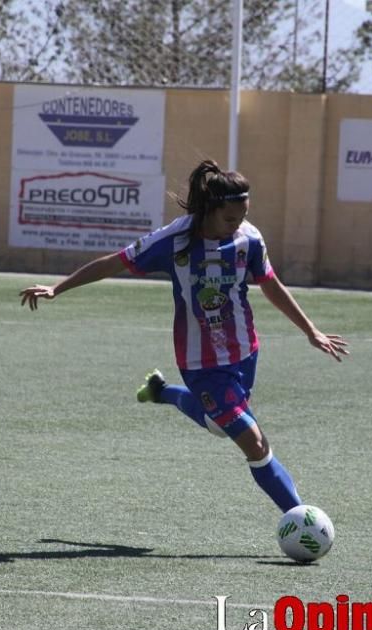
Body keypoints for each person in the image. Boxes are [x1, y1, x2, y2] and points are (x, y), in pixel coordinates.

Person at [20, 159, 349, 513]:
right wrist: (58, 288)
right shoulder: (173, 241)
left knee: (218, 426)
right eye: (229, 219)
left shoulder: (248, 239)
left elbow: (270, 283)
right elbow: (114, 262)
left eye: (242, 217)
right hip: (199, 362)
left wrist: (310, 330)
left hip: (244, 352)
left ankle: (161, 392)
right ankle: (300, 518)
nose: (237, 226)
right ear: (210, 208)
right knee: (252, 442)